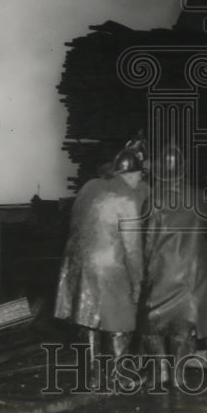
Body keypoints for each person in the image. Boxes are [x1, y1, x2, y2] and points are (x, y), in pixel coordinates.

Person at [54, 142, 148, 390]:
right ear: (131, 174)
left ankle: (92, 378)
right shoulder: (127, 198)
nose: (140, 180)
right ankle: (121, 377)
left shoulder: (89, 187)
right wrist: (137, 283)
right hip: (109, 266)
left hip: (77, 263)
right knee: (119, 322)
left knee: (89, 322)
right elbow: (132, 248)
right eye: (139, 175)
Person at [140, 144, 207, 386]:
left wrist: (146, 271)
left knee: (151, 321)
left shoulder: (152, 199)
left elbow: (147, 239)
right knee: (184, 323)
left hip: (163, 271)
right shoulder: (196, 196)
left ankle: (160, 372)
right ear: (182, 170)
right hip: (191, 273)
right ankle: (178, 375)